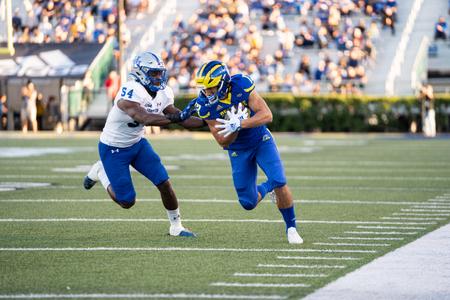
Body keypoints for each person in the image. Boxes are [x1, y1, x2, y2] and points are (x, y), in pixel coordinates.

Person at [171, 61, 303, 244]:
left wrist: (241, 123)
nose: (207, 93)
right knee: (248, 203)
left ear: (223, 82)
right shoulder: (204, 105)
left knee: (279, 180)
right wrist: (234, 128)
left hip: (260, 140)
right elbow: (222, 140)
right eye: (205, 88)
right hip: (237, 149)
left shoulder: (241, 85)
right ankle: (268, 188)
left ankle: (291, 228)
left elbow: (266, 115)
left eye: (211, 88)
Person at [83, 51, 204, 237]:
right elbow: (144, 117)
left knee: (164, 182)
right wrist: (178, 117)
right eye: (153, 73)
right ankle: (101, 171)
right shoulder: (131, 90)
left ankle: (176, 226)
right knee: (127, 201)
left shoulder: (163, 92)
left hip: (138, 144)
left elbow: (182, 119)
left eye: (159, 72)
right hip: (113, 147)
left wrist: (210, 121)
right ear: (140, 72)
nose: (158, 77)